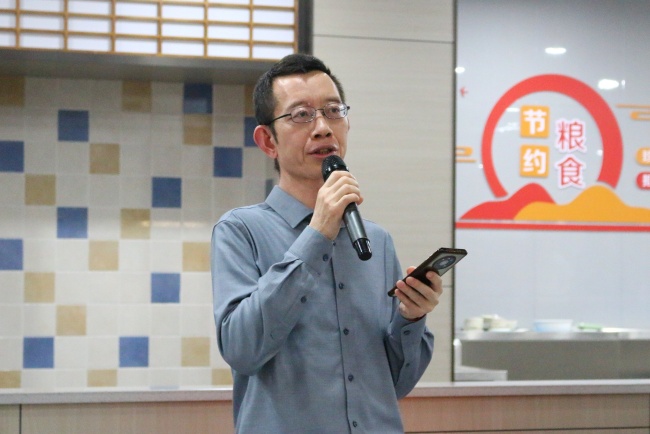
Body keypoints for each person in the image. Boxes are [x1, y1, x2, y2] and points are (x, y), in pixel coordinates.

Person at [211, 53, 443, 433]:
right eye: (301, 115)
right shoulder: (239, 230)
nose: (322, 128)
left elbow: (397, 384)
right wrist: (316, 235)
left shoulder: (377, 241)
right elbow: (241, 350)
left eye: (333, 111)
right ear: (267, 140)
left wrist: (411, 318)